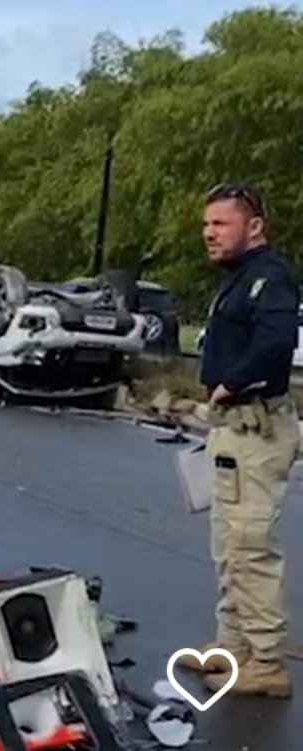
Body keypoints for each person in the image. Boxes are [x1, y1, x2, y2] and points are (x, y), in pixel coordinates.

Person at [176, 183, 300, 699]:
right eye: (207, 224)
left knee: (250, 548)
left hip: (255, 427)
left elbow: (276, 344)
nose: (209, 233)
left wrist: (232, 383)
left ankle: (268, 663)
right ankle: (234, 650)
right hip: (234, 430)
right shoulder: (239, 279)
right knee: (228, 546)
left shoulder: (269, 279)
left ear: (254, 227)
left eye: (221, 224)